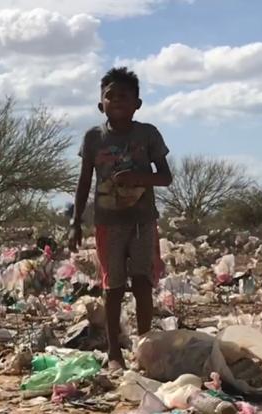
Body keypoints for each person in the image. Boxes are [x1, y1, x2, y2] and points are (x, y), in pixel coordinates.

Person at [69, 66, 172, 370]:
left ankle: (144, 348)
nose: (117, 101)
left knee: (142, 283)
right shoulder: (93, 138)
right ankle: (115, 353)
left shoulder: (147, 134)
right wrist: (76, 221)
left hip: (142, 220)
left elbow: (165, 177)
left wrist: (138, 177)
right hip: (107, 222)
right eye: (110, 96)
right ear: (100, 103)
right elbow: (84, 181)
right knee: (112, 287)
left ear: (137, 103)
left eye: (124, 96)